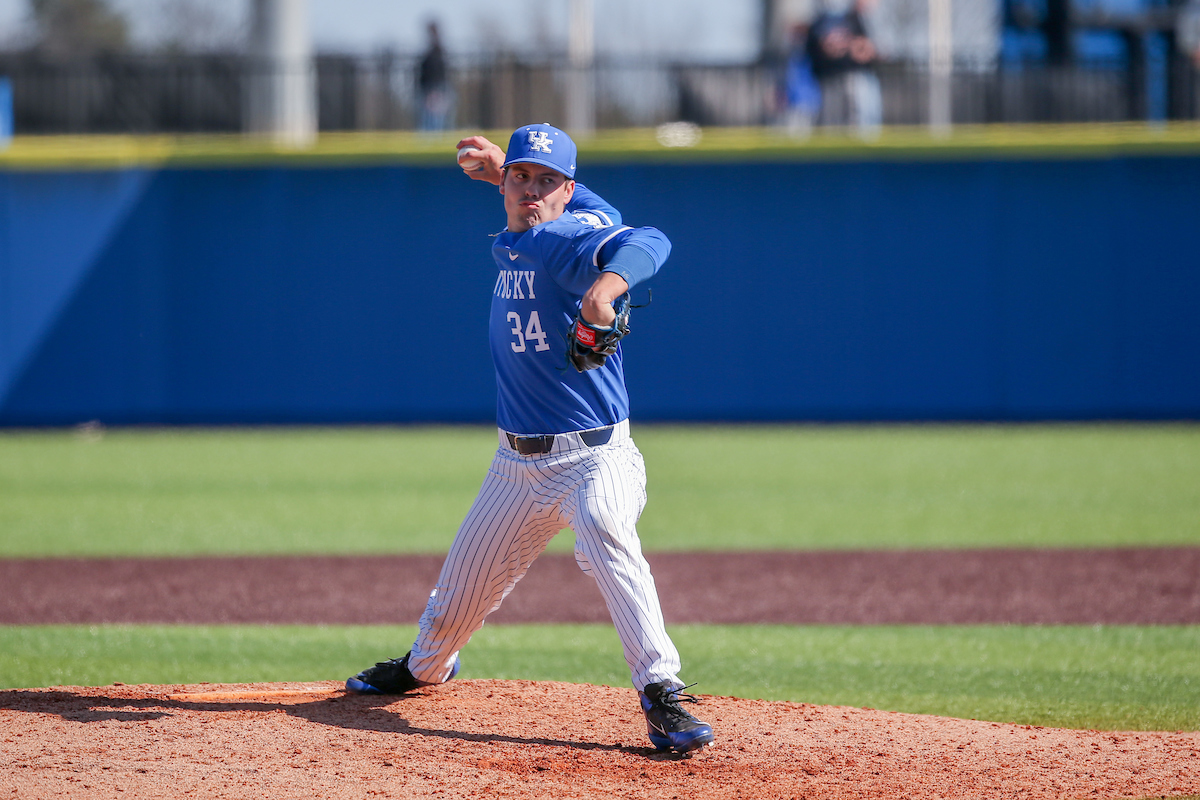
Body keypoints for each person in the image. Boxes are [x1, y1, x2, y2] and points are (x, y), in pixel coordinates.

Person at [344, 123, 716, 756]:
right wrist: (502, 168)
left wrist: (603, 290)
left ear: (568, 191)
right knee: (454, 606)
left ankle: (661, 690)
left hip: (595, 457)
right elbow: (583, 206)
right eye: (521, 177)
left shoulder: (561, 240)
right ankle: (426, 667)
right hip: (514, 469)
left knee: (604, 529)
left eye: (548, 181)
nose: (531, 190)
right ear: (505, 183)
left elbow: (652, 239)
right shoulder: (551, 222)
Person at [806, 0, 882, 136]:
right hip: (828, 77)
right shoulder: (820, 23)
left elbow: (866, 48)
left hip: (851, 75)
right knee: (832, 119)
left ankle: (858, 142)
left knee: (857, 116)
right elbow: (813, 51)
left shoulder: (853, 19)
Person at [417, 21, 453, 131]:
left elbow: (437, 70)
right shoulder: (435, 50)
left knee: (435, 117)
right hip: (432, 86)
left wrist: (434, 90)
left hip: (435, 87)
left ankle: (436, 135)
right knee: (432, 117)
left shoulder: (437, 51)